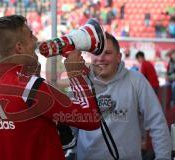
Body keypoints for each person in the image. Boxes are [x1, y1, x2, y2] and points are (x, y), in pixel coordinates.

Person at [0, 15, 102, 160]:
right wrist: (75, 73)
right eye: (31, 35)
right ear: (19, 47)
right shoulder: (31, 88)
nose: (35, 40)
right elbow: (90, 118)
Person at [67, 32, 172, 160]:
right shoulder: (79, 84)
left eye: (108, 53)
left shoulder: (136, 81)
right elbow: (69, 131)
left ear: (119, 57)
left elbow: (157, 124)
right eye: (97, 53)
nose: (101, 58)